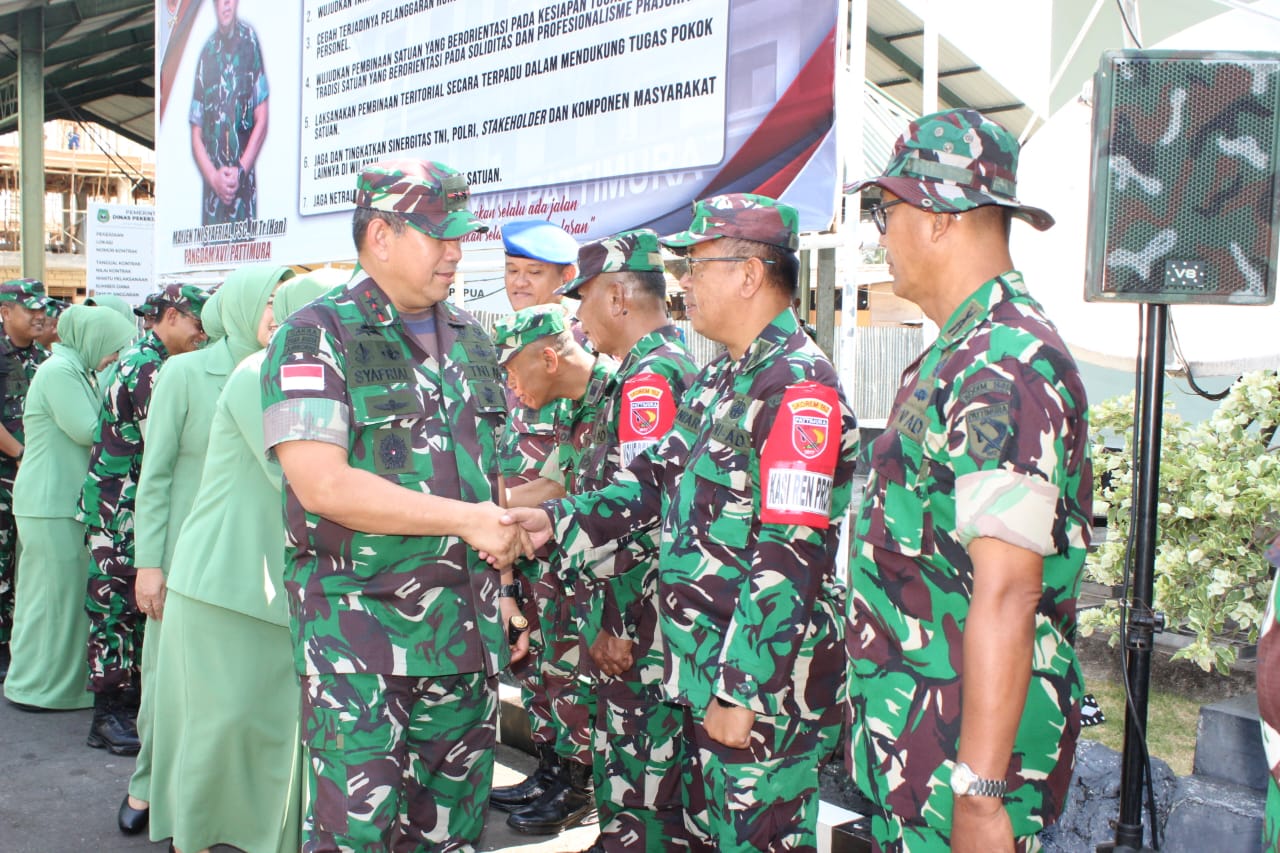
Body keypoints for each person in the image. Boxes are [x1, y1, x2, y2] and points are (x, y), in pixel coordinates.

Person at [501, 193, 859, 851]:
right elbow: (650, 483)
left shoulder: (798, 386)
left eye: (696, 266)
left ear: (749, 274)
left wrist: (741, 689)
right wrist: (555, 522)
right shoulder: (720, 378)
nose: (683, 283)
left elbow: (790, 551)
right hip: (696, 673)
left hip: (761, 691)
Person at [261, 160, 530, 851]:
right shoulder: (316, 335)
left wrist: (501, 583)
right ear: (380, 234)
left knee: (453, 836)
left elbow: (483, 472)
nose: (456, 252)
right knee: (359, 837)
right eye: (439, 236)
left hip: (465, 642)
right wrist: (468, 521)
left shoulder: (473, 337)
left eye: (460, 237)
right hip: (362, 644)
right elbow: (323, 484)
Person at [843, 108, 1092, 853]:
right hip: (918, 742)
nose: (880, 235)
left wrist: (981, 795)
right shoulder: (956, 354)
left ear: (939, 215)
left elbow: (1010, 589)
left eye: (886, 213)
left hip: (965, 765)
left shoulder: (1005, 362)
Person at [147, 271, 335, 853]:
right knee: (220, 734)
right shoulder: (260, 374)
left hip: (266, 590)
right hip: (228, 589)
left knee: (263, 734)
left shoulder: (306, 376)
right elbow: (306, 484)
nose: (276, 316)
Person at [118, 263, 294, 837]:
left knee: (237, 703)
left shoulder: (299, 375)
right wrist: (149, 565)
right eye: (270, 303)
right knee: (169, 691)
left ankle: (234, 812)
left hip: (256, 556)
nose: (278, 316)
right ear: (244, 304)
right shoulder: (188, 371)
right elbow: (155, 474)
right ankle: (148, 789)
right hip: (183, 556)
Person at [557, 228, 699, 852]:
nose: (578, 319)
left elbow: (647, 511)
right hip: (638, 615)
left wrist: (618, 620)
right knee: (631, 772)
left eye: (581, 301)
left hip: (640, 624)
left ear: (618, 296)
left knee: (645, 777)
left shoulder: (651, 380)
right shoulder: (640, 373)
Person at [494, 303, 619, 837]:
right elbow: (554, 483)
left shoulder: (622, 394)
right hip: (578, 574)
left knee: (596, 695)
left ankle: (582, 789)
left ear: (547, 358)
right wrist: (481, 516)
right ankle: (561, 774)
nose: (511, 387)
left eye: (512, 373)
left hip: (620, 587)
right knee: (558, 676)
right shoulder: (581, 404)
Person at [490, 218, 592, 823]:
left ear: (565, 279)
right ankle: (549, 767)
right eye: (512, 272)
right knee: (535, 659)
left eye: (534, 273)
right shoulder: (510, 343)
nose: (520, 283)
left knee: (569, 660)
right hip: (517, 535)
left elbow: (576, 463)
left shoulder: (577, 350)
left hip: (562, 533)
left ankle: (576, 785)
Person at [79, 284, 209, 757]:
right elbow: (167, 445)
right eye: (198, 324)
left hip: (128, 508)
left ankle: (126, 705)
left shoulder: (151, 362)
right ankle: (106, 716)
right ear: (172, 317)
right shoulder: (148, 367)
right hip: (119, 510)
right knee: (113, 612)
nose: (203, 335)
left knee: (133, 613)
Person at [4, 305, 136, 710]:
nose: (114, 356)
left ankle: (56, 684)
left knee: (57, 597)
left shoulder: (75, 369)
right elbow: (87, 429)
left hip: (58, 500)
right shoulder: (59, 372)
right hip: (49, 500)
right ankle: (40, 688)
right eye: (112, 348)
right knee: (50, 599)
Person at [0, 278, 48, 680]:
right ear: (5, 312)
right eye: (29, 308)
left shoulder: (42, 358)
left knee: (25, 564)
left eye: (41, 308)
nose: (39, 315)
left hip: (32, 475)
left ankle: (19, 643)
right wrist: (20, 454)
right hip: (7, 473)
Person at [190, 0, 268, 225]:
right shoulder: (206, 53)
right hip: (213, 210)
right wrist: (214, 178)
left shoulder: (250, 41)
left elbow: (261, 119)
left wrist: (240, 171)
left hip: (243, 203)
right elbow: (196, 135)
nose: (226, 5)